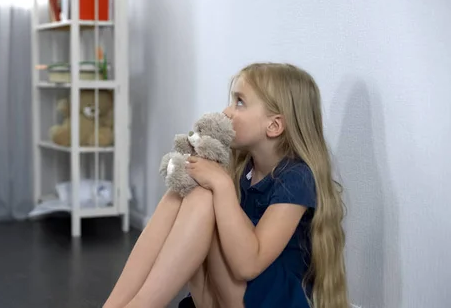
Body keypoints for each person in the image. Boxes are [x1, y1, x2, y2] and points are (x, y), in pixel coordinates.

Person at [103, 63, 349, 308]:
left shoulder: (297, 177)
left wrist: (222, 186)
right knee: (186, 192)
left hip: (271, 299)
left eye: (239, 102)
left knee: (206, 197)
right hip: (223, 296)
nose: (226, 112)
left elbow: (248, 266)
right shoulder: (246, 169)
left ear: (274, 126)